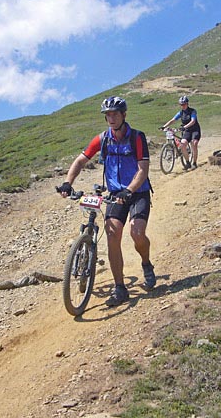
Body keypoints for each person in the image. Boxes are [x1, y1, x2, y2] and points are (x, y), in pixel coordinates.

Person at [56, 96, 156, 307]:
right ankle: (120, 288)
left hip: (137, 192)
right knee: (112, 234)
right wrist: (67, 182)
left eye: (115, 114)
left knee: (137, 233)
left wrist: (129, 190)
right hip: (115, 194)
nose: (111, 118)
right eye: (108, 115)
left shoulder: (137, 137)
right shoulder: (102, 139)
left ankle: (146, 263)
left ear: (123, 115)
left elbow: (143, 169)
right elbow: (80, 160)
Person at [161, 95, 201, 169]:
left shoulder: (192, 111)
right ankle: (188, 163)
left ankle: (194, 163)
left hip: (195, 130)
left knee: (194, 143)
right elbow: (172, 120)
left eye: (184, 104)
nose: (182, 106)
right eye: (181, 104)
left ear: (187, 104)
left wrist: (184, 127)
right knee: (182, 145)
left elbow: (193, 121)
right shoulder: (180, 113)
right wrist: (164, 126)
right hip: (187, 131)